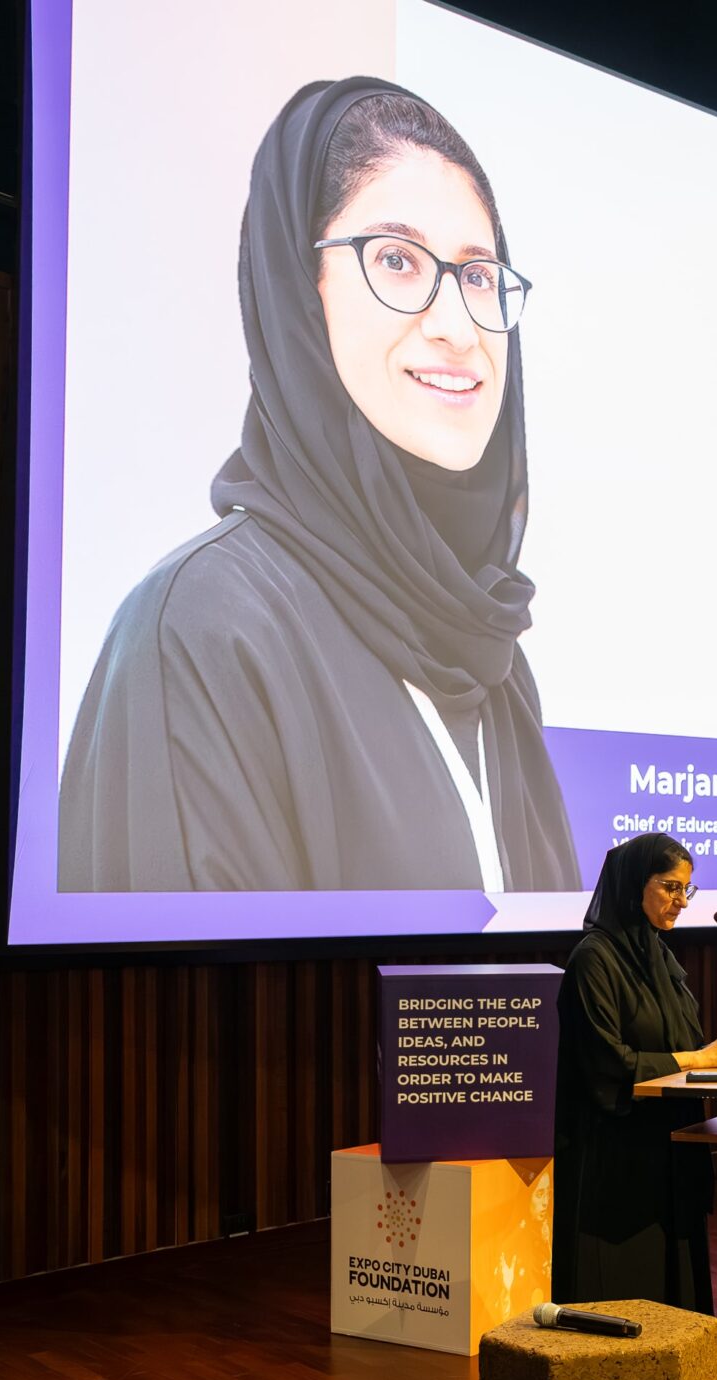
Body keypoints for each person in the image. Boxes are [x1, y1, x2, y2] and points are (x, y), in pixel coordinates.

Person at [60, 77, 578, 893]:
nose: (457, 326)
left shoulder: (493, 663)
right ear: (301, 292)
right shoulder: (202, 632)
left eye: (479, 275)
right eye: (398, 260)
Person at [552, 833, 717, 1310]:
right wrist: (702, 1058)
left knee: (678, 1303)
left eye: (687, 889)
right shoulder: (593, 959)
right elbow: (610, 1064)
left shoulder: (658, 955)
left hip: (670, 1150)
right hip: (616, 1163)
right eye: (670, 887)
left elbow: (677, 1048)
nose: (682, 901)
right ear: (634, 884)